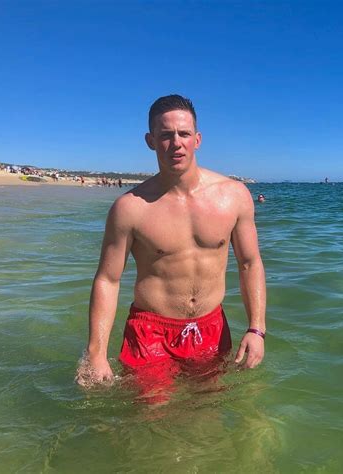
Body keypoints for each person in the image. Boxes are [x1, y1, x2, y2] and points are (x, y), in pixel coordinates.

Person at [76, 94, 266, 389]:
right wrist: (95, 352)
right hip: (150, 331)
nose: (176, 142)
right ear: (150, 140)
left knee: (207, 414)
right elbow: (108, 280)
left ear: (198, 139)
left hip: (210, 327)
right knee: (151, 419)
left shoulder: (234, 196)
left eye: (184, 134)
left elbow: (249, 263)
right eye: (165, 135)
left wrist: (256, 329)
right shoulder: (130, 208)